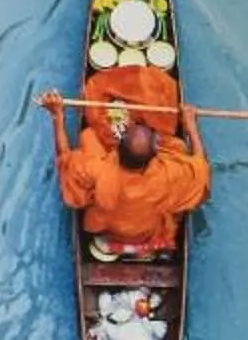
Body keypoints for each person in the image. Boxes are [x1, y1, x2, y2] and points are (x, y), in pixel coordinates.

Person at [43, 88, 209, 247]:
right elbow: (201, 168)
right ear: (154, 156)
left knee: (89, 136)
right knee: (178, 147)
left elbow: (64, 157)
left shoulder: (97, 170)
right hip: (145, 232)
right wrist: (191, 126)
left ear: (117, 147)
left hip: (105, 229)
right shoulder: (166, 176)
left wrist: (57, 115)